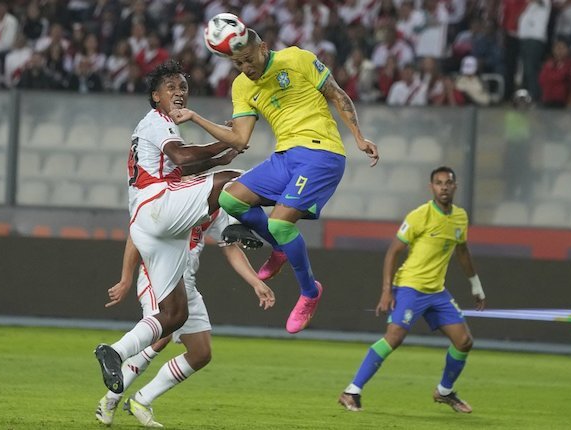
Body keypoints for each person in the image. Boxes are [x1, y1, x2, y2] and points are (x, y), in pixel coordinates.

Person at [169, 22, 379, 334]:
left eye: (248, 58)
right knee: (229, 198)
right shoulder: (242, 86)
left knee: (281, 223)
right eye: (237, 63)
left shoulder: (297, 59)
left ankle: (310, 292)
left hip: (322, 154)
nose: (245, 66)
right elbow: (240, 139)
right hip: (285, 157)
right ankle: (279, 248)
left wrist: (359, 137)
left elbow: (336, 94)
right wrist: (197, 118)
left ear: (262, 47)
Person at [93, 59, 274, 398]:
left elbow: (184, 164)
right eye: (170, 87)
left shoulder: (161, 127)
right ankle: (248, 222)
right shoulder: (156, 121)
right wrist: (227, 141)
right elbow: (182, 159)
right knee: (238, 182)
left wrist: (219, 157)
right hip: (157, 205)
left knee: (174, 314)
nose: (178, 92)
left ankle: (114, 351)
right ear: (155, 97)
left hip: (153, 225)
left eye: (183, 87)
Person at [96, 206, 275, 427]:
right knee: (161, 336)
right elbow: (137, 232)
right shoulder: (171, 196)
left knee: (201, 353)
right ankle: (111, 399)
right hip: (157, 278)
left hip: (186, 285)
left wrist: (256, 282)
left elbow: (231, 248)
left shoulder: (216, 206)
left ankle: (142, 400)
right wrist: (126, 278)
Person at [338, 166, 486, 413]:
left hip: (437, 292)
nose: (444, 187)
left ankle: (444, 392)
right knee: (394, 337)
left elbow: (462, 252)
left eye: (448, 183)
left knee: (464, 342)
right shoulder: (420, 216)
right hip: (409, 288)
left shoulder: (460, 217)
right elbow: (392, 252)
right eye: (438, 183)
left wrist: (476, 286)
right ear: (431, 188)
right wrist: (387, 290)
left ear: (455, 186)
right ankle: (351, 391)